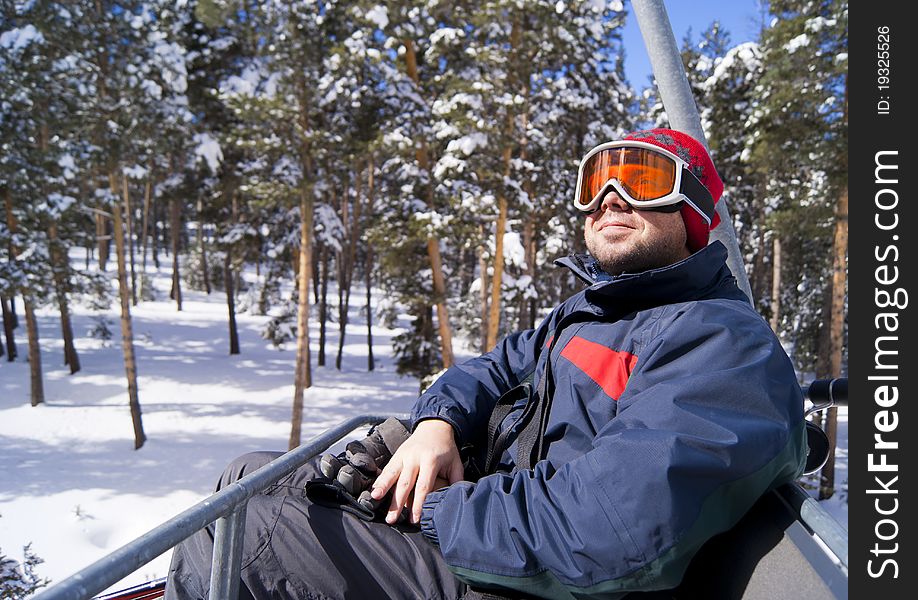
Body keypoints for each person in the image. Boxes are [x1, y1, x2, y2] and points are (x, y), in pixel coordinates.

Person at [166, 128, 806, 600]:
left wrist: (439, 506)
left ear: (693, 212)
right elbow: (490, 369)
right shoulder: (593, 315)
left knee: (244, 528)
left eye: (641, 181)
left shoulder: (721, 343)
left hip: (541, 585)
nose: (610, 198)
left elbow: (609, 530)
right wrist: (434, 429)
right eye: (596, 182)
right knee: (250, 475)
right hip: (503, 545)